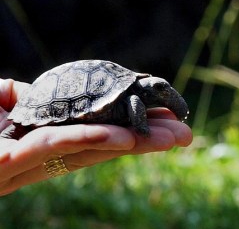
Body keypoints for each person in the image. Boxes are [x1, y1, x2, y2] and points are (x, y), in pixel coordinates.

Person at [0, 78, 193, 196]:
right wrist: (141, 127)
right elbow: (133, 101)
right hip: (45, 100)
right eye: (158, 88)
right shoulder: (133, 97)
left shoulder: (135, 90)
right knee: (22, 127)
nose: (163, 91)